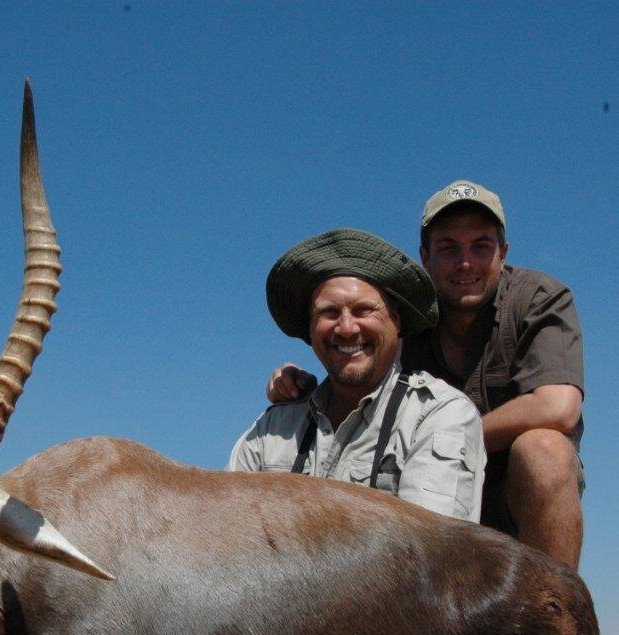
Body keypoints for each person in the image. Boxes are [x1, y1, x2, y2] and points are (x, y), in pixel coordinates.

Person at [267, 182, 585, 568]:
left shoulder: (537, 297)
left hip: (506, 490)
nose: (465, 262)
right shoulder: (404, 315)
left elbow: (558, 406)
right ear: (425, 256)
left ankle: (552, 620)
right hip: (418, 488)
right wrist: (301, 384)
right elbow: (358, 371)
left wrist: (449, 434)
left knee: (545, 454)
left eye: (480, 246)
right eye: (448, 248)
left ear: (503, 253)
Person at [230, 228, 486, 522]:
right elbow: (227, 538)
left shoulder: (439, 415)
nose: (347, 328)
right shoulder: (272, 428)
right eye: (329, 313)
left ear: (396, 320)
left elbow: (430, 556)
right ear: (310, 328)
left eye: (364, 310)